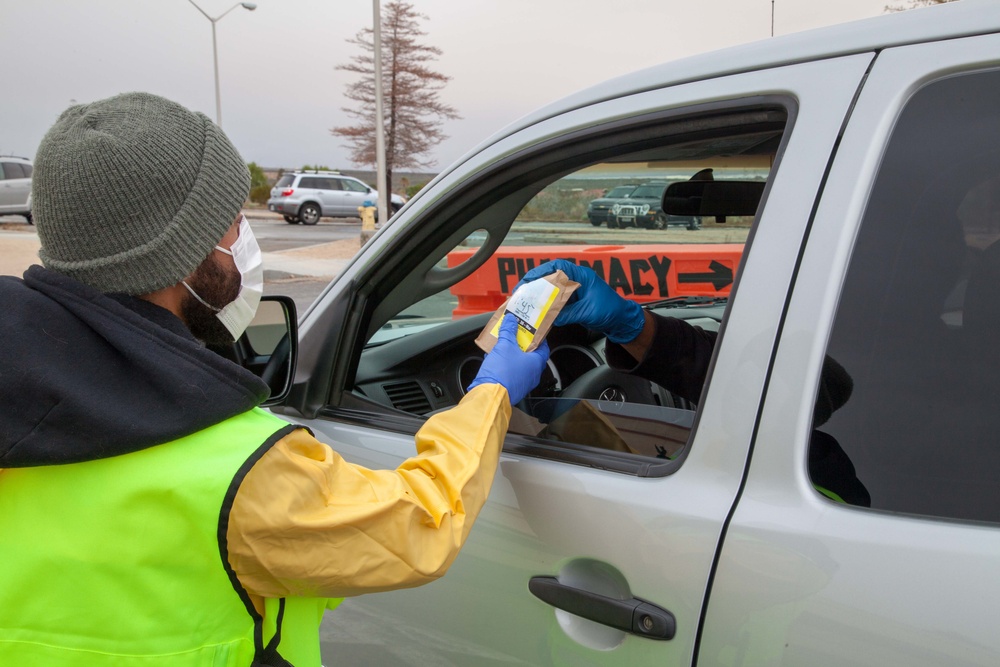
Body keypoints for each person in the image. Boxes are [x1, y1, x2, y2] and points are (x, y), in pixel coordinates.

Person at [0, 92, 549, 666]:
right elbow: (420, 524)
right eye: (234, 223)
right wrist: (493, 393)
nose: (244, 241)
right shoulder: (233, 470)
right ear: (183, 254)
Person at [519, 259, 870, 506]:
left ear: (790, 409)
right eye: (741, 364)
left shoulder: (808, 497)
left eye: (757, 376)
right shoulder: (761, 450)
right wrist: (631, 324)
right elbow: (707, 364)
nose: (730, 384)